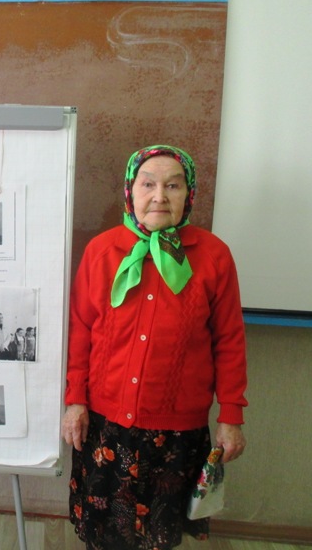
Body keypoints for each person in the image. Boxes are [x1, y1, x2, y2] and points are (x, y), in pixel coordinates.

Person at [61, 145, 247, 550]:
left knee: (157, 539)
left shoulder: (214, 256)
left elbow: (229, 341)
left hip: (176, 432)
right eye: (148, 184)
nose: (159, 196)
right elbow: (80, 332)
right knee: (103, 536)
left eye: (173, 186)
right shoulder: (101, 251)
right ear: (130, 191)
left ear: (189, 194)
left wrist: (231, 415)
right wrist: (74, 400)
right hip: (106, 425)